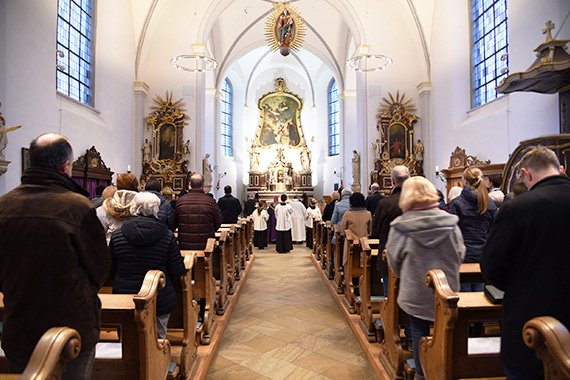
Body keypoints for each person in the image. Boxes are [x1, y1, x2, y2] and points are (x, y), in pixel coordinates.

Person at [0, 133, 110, 378]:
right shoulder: (79, 207)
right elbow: (100, 269)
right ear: (65, 166)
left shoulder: (3, 205)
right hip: (72, 329)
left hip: (19, 325)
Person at [481, 146, 570, 379]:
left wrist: (520, 282)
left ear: (526, 174)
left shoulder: (516, 208)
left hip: (532, 321)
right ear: (560, 169)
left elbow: (492, 267)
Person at [386, 176, 465, 380]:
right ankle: (446, 370)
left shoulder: (400, 227)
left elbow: (393, 262)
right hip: (447, 292)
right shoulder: (450, 223)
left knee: (419, 331)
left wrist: (409, 272)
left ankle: (422, 375)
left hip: (415, 291)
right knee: (447, 332)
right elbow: (460, 253)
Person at [109, 192, 185, 339]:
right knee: (158, 339)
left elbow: (111, 270)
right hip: (159, 298)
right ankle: (159, 362)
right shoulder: (167, 235)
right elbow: (177, 271)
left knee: (128, 339)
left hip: (126, 297)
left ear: (133, 208)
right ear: (155, 209)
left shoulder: (117, 235)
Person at [449, 166, 496, 292]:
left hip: (463, 253)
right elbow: (494, 229)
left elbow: (453, 231)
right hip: (483, 252)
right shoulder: (489, 202)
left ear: (465, 181)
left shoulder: (457, 203)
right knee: (479, 292)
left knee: (464, 294)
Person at [371, 165, 409, 296]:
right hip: (414, 255)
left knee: (391, 293)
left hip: (390, 253)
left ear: (392, 181)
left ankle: (389, 316)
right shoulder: (419, 202)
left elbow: (375, 231)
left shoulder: (385, 203)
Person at [176, 173, 222, 250]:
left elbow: (175, 222)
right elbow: (217, 222)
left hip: (185, 245)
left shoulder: (180, 201)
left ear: (189, 184)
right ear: (203, 185)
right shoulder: (210, 201)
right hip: (206, 246)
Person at [100, 174, 139, 244]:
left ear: (117, 186)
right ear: (136, 185)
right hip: (135, 245)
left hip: (113, 245)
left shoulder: (108, 205)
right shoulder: (141, 204)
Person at [340, 192, 372, 268]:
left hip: (350, 244)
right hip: (363, 244)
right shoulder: (368, 214)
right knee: (362, 263)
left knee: (350, 263)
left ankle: (348, 277)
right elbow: (370, 230)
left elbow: (342, 229)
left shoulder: (348, 214)